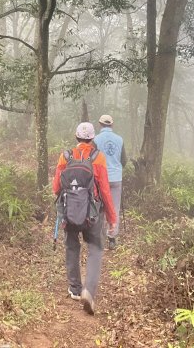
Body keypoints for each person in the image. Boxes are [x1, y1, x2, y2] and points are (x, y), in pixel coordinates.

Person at [52, 122, 116, 316]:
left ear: (76, 137)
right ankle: (89, 289)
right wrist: (112, 217)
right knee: (95, 248)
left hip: (69, 211)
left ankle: (74, 289)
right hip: (92, 214)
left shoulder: (65, 156)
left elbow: (56, 188)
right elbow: (104, 190)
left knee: (72, 246)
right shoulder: (99, 157)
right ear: (92, 138)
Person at [93, 114, 127, 250]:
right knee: (114, 207)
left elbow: (93, 160)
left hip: (101, 179)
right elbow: (124, 160)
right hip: (116, 178)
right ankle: (112, 238)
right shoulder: (120, 139)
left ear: (100, 124)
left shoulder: (95, 140)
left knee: (99, 207)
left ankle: (99, 237)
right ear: (112, 125)